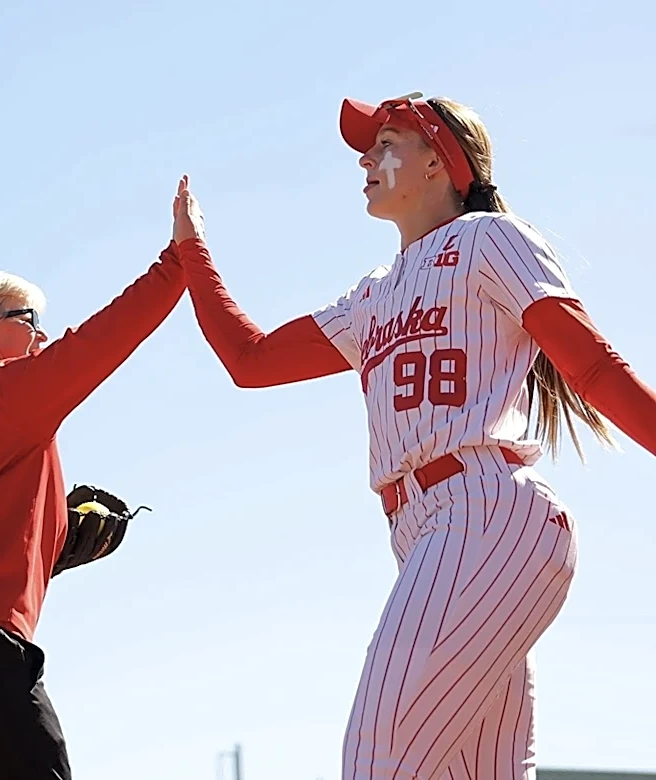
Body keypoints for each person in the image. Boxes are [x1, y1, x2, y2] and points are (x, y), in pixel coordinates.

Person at [170, 89, 656, 780]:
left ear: (439, 159)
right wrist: (194, 254)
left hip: (485, 513)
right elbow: (249, 361)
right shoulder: (373, 294)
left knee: (379, 760)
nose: (367, 157)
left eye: (387, 143)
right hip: (429, 531)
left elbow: (593, 366)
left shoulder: (490, 239)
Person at [0, 238, 186, 779]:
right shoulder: (4, 394)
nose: (43, 332)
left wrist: (54, 543)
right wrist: (178, 260)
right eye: (29, 318)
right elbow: (100, 341)